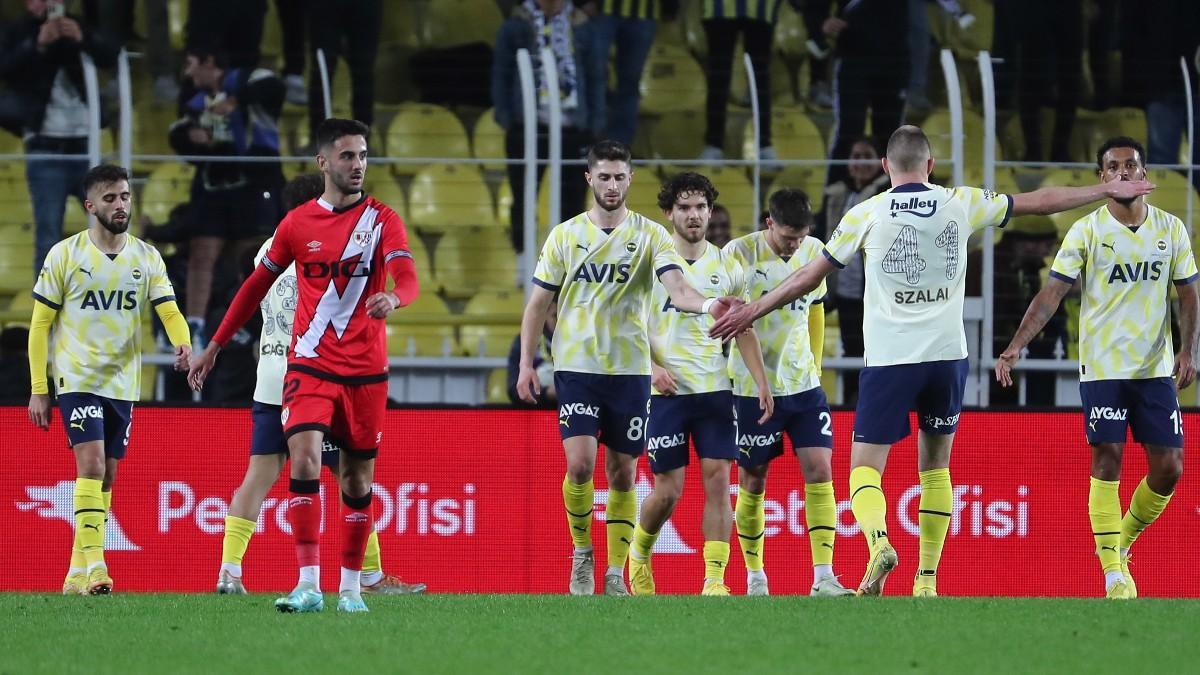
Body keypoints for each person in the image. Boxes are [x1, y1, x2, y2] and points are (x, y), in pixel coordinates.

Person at [711, 125, 1154, 597]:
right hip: (947, 357)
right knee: (936, 467)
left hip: (890, 361)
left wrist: (754, 309)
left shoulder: (867, 211)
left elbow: (806, 277)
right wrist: (1104, 189)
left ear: (885, 168)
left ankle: (879, 542)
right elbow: (1039, 201)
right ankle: (926, 580)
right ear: (930, 166)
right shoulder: (959, 201)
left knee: (864, 468)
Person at [188, 118, 420, 614]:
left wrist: (395, 298)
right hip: (306, 368)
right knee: (309, 463)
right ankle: (310, 583)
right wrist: (214, 345)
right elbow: (251, 291)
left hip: (360, 373)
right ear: (324, 163)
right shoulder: (296, 231)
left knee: (353, 480)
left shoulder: (382, 220)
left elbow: (408, 276)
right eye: (347, 156)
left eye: (362, 156)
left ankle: (351, 587)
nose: (357, 165)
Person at [515, 139, 740, 596]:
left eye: (620, 177)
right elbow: (538, 303)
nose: (612, 185)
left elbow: (677, 289)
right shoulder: (565, 235)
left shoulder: (652, 237)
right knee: (579, 466)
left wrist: (711, 303)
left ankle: (617, 570)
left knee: (622, 474)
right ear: (589, 178)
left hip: (631, 371)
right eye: (604, 176)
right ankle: (582, 553)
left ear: (630, 179)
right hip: (576, 366)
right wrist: (525, 364)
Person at [996, 137, 1197, 600]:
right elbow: (1051, 294)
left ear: (1145, 176)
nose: (1123, 173)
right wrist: (1015, 346)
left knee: (1170, 468)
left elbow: (1187, 292)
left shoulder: (1172, 230)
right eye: (1113, 167)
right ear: (1102, 178)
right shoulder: (1085, 232)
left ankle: (1119, 545)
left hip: (1154, 369)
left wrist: (1189, 351)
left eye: (1131, 166)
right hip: (1103, 368)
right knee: (1107, 458)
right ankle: (1113, 575)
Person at [27, 164, 192, 595]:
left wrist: (184, 342)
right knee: (92, 463)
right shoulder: (66, 255)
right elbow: (39, 326)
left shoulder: (146, 256)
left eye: (125, 197)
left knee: (107, 477)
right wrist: (39, 389)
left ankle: (74, 574)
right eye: (110, 199)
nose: (120, 205)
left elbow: (169, 310)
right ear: (90, 206)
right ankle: (98, 567)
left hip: (122, 382)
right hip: (76, 375)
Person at [627, 172, 773, 597]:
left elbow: (743, 328)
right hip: (664, 392)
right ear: (669, 213)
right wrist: (650, 368)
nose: (694, 215)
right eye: (685, 208)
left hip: (714, 390)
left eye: (701, 207)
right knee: (668, 491)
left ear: (711, 212)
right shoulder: (651, 261)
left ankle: (714, 580)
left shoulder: (729, 266)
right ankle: (639, 554)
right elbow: (628, 324)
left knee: (718, 478)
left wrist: (761, 381)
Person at [722, 188, 853, 597]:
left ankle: (824, 576)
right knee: (754, 479)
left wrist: (814, 366)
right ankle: (756, 576)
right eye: (786, 237)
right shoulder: (737, 256)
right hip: (750, 387)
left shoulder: (815, 249)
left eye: (800, 237)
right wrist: (763, 383)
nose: (794, 245)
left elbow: (814, 311)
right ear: (769, 224)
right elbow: (739, 324)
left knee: (820, 470)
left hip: (803, 387)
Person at [170, 45, 285, 346]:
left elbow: (274, 87)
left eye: (191, 62)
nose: (188, 72)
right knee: (201, 253)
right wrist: (194, 139)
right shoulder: (194, 100)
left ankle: (252, 321)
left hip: (255, 178)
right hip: (213, 183)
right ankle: (193, 329)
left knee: (251, 256)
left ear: (210, 60)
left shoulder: (248, 79)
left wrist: (236, 102)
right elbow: (177, 132)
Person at [0, 0, 120, 275]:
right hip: (45, 147)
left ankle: (111, 300)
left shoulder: (79, 25)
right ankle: (46, 314)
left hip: (86, 146)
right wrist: (37, 44)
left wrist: (82, 37)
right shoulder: (17, 32)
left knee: (111, 228)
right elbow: (6, 68)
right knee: (47, 238)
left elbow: (111, 53)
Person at [492, 0, 601, 253]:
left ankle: (568, 263)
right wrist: (507, 117)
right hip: (527, 127)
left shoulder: (583, 27)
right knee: (523, 197)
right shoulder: (516, 25)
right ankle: (522, 259)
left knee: (573, 200)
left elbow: (596, 75)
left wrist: (594, 123)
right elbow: (502, 72)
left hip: (573, 128)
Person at [819, 137, 890, 404]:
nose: (859, 162)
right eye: (855, 156)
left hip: (873, 290)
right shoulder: (837, 194)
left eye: (866, 155)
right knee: (851, 348)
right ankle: (851, 401)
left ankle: (872, 400)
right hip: (844, 290)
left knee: (872, 350)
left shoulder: (885, 194)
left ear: (881, 163)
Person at [816, 0, 908, 187]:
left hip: (894, 59)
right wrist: (820, 21)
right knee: (848, 132)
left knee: (890, 137)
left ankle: (891, 204)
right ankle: (833, 204)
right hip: (853, 57)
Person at [579, 0, 658, 146]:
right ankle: (588, 135)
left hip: (645, 12)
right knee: (593, 75)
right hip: (602, 9)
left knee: (631, 82)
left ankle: (620, 144)